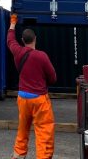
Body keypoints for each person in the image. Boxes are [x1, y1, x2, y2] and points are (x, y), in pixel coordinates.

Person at [7, 13, 57, 159]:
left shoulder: (17, 52)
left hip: (22, 98)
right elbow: (53, 78)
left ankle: (18, 155)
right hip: (39, 100)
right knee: (44, 132)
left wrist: (13, 22)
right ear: (35, 39)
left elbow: (10, 39)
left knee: (22, 129)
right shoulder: (42, 56)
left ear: (22, 40)